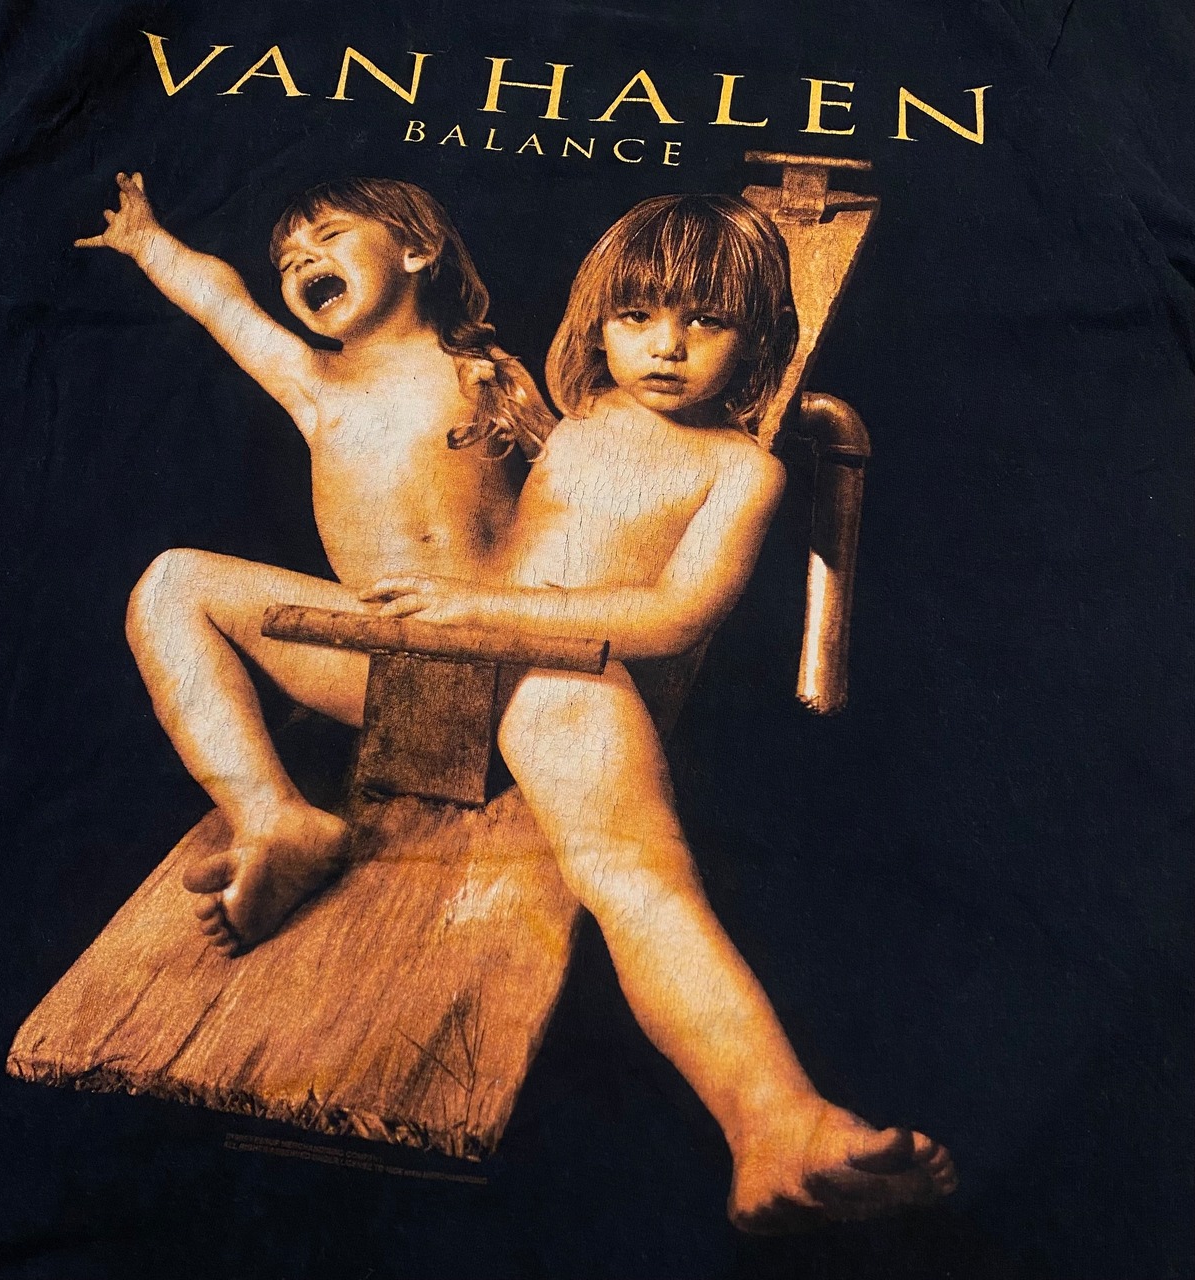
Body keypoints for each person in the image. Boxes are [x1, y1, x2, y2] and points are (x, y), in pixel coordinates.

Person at [361, 194, 958, 1231]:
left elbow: (674, 617)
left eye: (703, 322)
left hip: (553, 676)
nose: (665, 346)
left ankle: (773, 1120)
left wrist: (491, 611)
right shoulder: (578, 418)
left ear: (759, 338)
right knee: (180, 583)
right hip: (441, 662)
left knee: (637, 878)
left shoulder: (740, 468)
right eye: (635, 316)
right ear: (597, 321)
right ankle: (270, 814)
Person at [76, 172, 551, 951]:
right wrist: (148, 243)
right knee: (170, 585)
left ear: (417, 250)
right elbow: (222, 304)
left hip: (499, 671)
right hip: (386, 679)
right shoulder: (316, 387)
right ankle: (274, 818)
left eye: (328, 238)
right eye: (288, 260)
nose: (302, 262)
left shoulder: (484, 374)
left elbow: (581, 494)